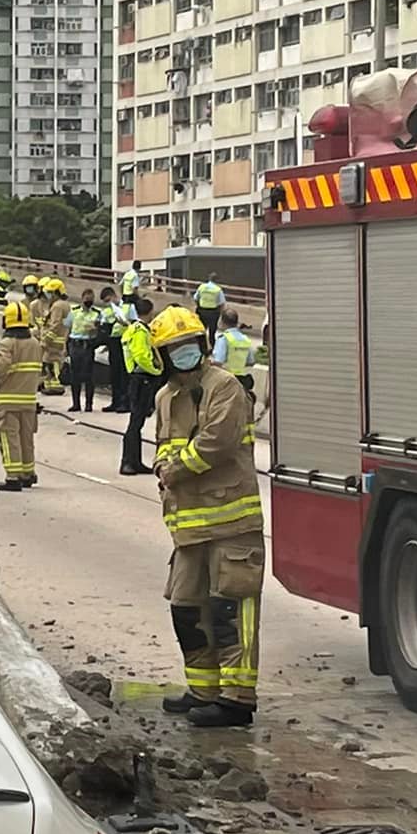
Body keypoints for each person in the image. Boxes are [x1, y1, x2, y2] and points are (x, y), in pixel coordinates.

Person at [148, 305, 264, 729]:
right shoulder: (165, 397)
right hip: (188, 529)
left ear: (202, 343)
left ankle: (236, 699)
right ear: (162, 356)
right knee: (187, 610)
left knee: (228, 612)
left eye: (189, 345)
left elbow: (216, 442)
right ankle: (203, 690)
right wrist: (162, 466)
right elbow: (164, 446)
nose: (184, 353)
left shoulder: (225, 387)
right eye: (174, 348)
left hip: (232, 525)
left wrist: (174, 469)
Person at [0, 300, 42, 492]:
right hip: (29, 400)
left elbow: (1, 367)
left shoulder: (6, 344)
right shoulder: (35, 344)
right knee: (26, 438)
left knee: (10, 439)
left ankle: (13, 477)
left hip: (8, 400)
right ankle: (28, 473)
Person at [119, 295, 160, 476]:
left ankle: (135, 461)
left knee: (137, 422)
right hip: (141, 378)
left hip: (136, 378)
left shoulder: (133, 328)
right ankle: (127, 462)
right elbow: (142, 356)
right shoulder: (141, 331)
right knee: (135, 423)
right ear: (150, 312)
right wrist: (156, 371)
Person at [65, 289, 103, 412]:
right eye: (87, 299)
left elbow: (100, 330)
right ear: (82, 299)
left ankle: (88, 404)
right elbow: (68, 329)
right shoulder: (74, 312)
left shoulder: (97, 313)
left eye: (91, 299)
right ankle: (76, 404)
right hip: (75, 345)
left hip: (88, 346)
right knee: (74, 376)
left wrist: (95, 329)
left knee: (88, 376)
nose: (88, 301)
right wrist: (65, 347)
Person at [103, 287, 136, 414]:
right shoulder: (108, 310)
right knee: (114, 373)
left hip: (125, 341)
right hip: (113, 342)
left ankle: (125, 402)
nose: (109, 303)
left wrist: (125, 323)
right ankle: (115, 401)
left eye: (109, 300)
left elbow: (135, 322)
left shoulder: (128, 307)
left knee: (124, 373)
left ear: (114, 295)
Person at [36, 277, 71, 395]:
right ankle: (50, 385)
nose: (48, 296)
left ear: (57, 293)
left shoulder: (57, 306)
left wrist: (46, 340)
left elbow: (55, 325)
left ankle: (55, 386)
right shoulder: (65, 305)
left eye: (50, 293)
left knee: (51, 364)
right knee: (53, 363)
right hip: (60, 340)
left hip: (53, 342)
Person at [213, 307, 256, 399]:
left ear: (222, 322)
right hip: (242, 381)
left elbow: (218, 362)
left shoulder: (224, 339)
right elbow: (251, 361)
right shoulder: (245, 339)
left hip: (226, 380)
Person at [194, 274, 226, 341]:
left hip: (202, 311)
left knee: (201, 331)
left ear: (209, 279)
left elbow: (196, 298)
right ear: (217, 280)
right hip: (213, 313)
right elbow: (222, 303)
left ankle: (201, 344)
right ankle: (212, 344)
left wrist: (199, 307)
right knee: (212, 333)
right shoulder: (218, 289)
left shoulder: (202, 287)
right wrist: (221, 314)